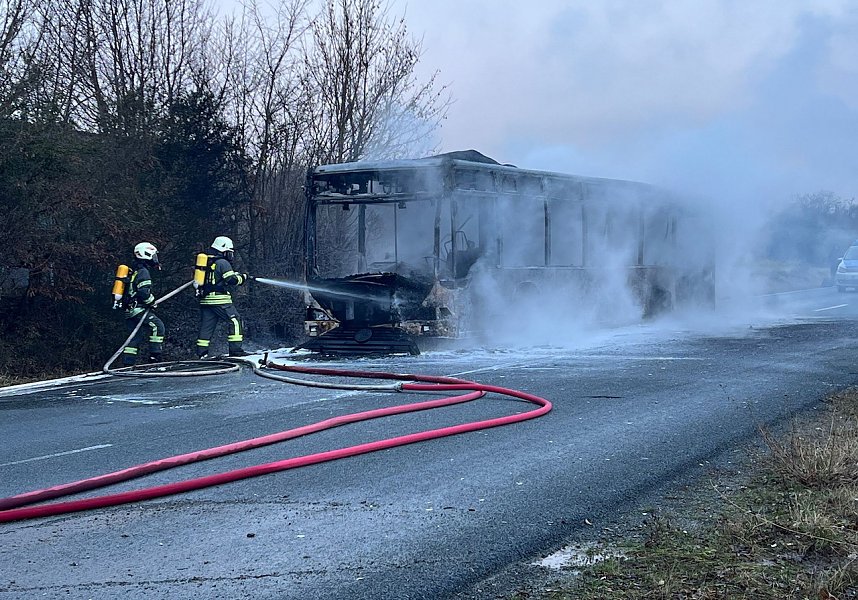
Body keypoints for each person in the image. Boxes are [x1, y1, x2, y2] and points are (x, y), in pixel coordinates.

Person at [196, 236, 252, 358]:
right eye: (229, 252)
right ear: (223, 250)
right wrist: (243, 277)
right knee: (235, 321)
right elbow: (231, 280)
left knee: (207, 326)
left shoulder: (208, 261)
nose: (231, 255)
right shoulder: (223, 262)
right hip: (219, 300)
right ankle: (236, 350)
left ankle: (202, 353)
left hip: (205, 300)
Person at [122, 242, 165, 366]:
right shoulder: (143, 272)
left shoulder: (135, 270)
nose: (155, 258)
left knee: (134, 337)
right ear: (146, 254)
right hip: (138, 309)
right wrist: (151, 302)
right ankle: (155, 357)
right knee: (158, 326)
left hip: (129, 310)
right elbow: (143, 292)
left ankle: (128, 363)